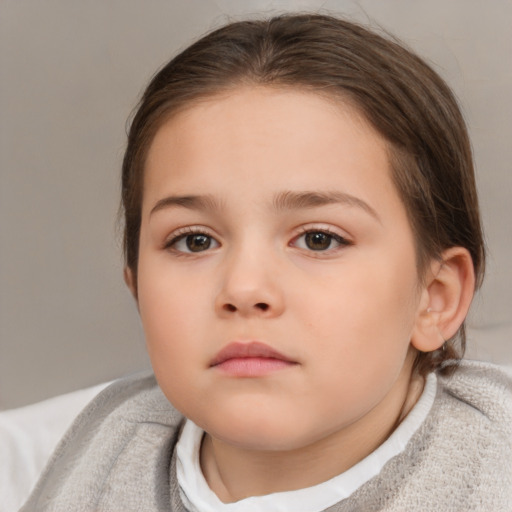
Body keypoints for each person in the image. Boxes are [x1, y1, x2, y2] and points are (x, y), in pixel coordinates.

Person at [21, 13, 511, 511]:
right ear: (137, 288)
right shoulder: (102, 453)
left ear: (435, 298)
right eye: (194, 241)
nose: (244, 287)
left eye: (319, 239)